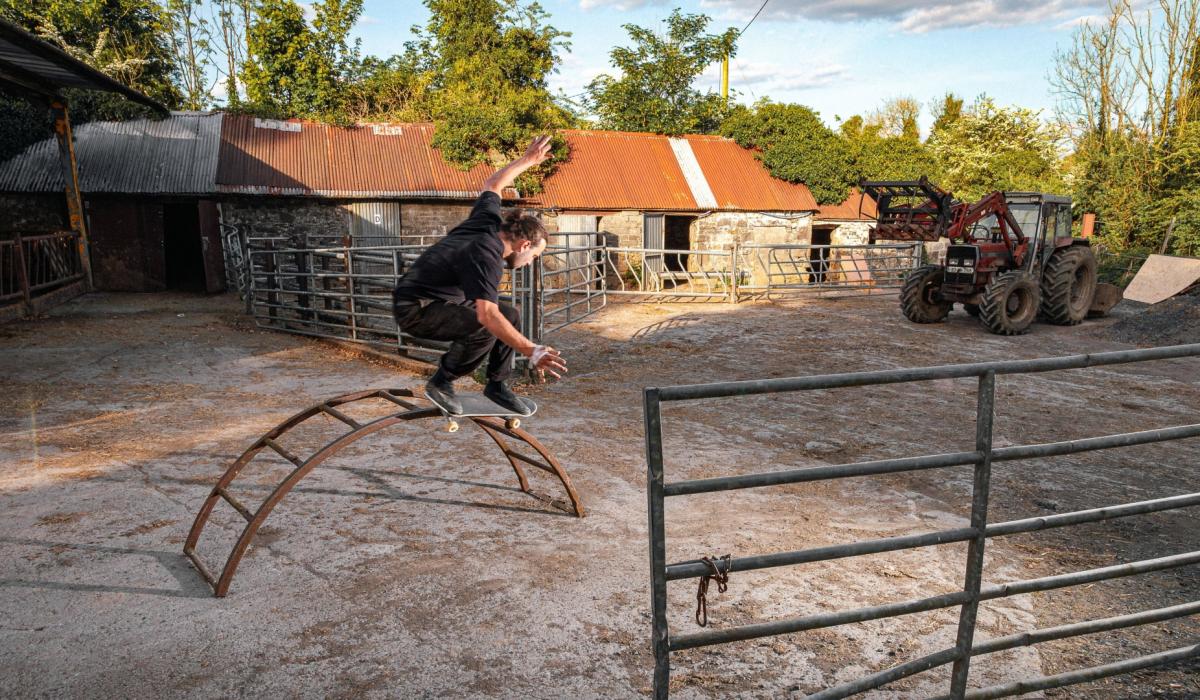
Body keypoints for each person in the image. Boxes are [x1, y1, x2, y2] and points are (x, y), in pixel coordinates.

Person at [392, 135, 567, 415]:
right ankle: (441, 382)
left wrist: (528, 160)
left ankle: (496, 385)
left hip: (436, 300)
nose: (529, 262)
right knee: (487, 323)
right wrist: (532, 350)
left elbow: (493, 185)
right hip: (417, 310)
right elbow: (487, 316)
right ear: (523, 245)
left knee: (511, 314)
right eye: (533, 256)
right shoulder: (487, 257)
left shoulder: (487, 219)